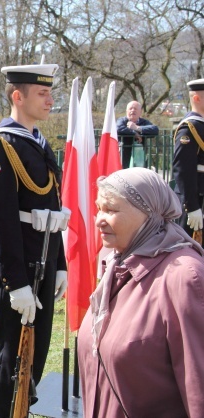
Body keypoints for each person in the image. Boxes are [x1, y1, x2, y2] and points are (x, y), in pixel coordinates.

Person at [0, 63, 69, 417]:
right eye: (42, 94)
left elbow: (52, 209)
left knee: (37, 350)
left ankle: (22, 411)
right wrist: (15, 283)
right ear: (18, 96)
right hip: (18, 267)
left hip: (44, 259)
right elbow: (0, 221)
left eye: (50, 93)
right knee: (11, 352)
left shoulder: (36, 141)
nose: (50, 100)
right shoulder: (3, 145)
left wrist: (59, 263)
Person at [77, 167, 204, 417]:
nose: (99, 219)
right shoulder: (118, 264)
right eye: (99, 208)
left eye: (111, 210)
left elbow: (198, 385)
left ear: (148, 213)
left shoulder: (184, 276)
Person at [172, 78, 204, 240]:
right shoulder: (190, 127)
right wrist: (192, 207)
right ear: (197, 98)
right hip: (195, 200)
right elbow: (182, 170)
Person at [116, 101, 159, 169]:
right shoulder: (122, 120)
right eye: (130, 108)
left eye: (135, 109)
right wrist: (134, 133)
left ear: (140, 112)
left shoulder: (143, 122)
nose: (133, 110)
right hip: (124, 154)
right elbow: (118, 128)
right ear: (126, 111)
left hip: (140, 156)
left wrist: (137, 128)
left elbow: (155, 129)